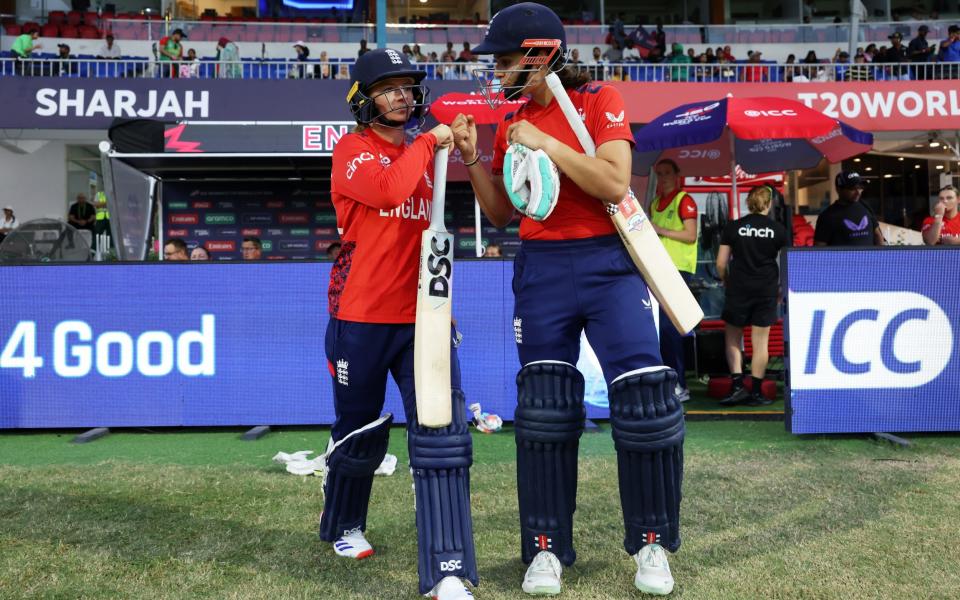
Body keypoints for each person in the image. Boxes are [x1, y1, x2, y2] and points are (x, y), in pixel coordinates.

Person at [454, 3, 683, 596]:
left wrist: (546, 144)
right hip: (542, 270)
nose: (496, 72)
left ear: (540, 55)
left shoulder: (598, 99)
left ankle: (652, 547)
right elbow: (503, 212)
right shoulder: (511, 122)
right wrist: (475, 156)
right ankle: (545, 551)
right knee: (544, 414)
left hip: (611, 263)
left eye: (505, 61)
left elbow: (613, 181)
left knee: (645, 405)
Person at [322, 47, 476, 600]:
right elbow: (387, 190)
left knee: (439, 433)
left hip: (420, 322)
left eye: (407, 87)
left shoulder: (423, 154)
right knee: (358, 429)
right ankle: (343, 524)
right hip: (359, 318)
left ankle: (446, 567)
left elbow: (429, 240)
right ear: (363, 100)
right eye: (388, 88)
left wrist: (443, 312)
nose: (402, 97)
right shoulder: (352, 151)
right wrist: (432, 142)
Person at [715, 186, 787, 407]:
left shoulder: (734, 227)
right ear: (769, 204)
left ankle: (737, 387)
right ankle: (756, 391)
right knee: (760, 342)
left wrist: (725, 279)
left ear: (748, 202)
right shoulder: (778, 230)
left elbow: (720, 263)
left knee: (734, 338)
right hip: (766, 289)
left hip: (738, 287)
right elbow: (786, 264)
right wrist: (781, 288)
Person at [650, 159, 698, 404]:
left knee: (672, 329)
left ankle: (680, 383)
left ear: (677, 174)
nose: (663, 177)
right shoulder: (656, 203)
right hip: (659, 271)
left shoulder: (685, 200)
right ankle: (669, 381)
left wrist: (659, 230)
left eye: (667, 173)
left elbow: (690, 236)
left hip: (679, 272)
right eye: (659, 174)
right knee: (662, 329)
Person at [814, 171, 883, 246]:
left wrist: (882, 255)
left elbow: (877, 235)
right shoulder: (827, 216)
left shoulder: (865, 205)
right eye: (852, 189)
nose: (858, 192)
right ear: (839, 189)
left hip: (871, 257)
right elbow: (819, 249)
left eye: (860, 187)